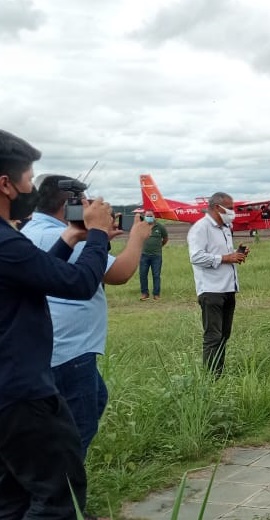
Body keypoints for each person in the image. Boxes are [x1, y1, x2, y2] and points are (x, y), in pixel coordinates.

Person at [0, 129, 115, 519]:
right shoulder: (6, 242)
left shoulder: (9, 243)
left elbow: (36, 274)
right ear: (6, 184)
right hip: (22, 394)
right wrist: (97, 234)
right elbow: (79, 284)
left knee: (13, 497)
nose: (32, 189)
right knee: (58, 497)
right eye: (29, 179)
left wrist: (69, 239)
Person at [22, 175, 151, 461]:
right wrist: (137, 238)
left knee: (95, 399)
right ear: (70, 205)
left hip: (52, 347)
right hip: (69, 351)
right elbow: (119, 273)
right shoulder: (56, 236)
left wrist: (97, 238)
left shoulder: (34, 230)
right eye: (86, 202)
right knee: (77, 429)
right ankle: (62, 487)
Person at [187, 192, 248, 377]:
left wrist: (237, 254)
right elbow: (196, 257)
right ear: (216, 207)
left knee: (224, 334)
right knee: (213, 336)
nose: (232, 212)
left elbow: (221, 254)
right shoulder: (201, 228)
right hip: (211, 290)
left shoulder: (225, 228)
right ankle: (211, 378)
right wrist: (226, 258)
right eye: (229, 208)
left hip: (228, 288)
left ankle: (218, 373)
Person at [139, 209, 168, 300]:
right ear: (144, 217)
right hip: (144, 255)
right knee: (143, 275)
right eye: (147, 216)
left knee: (156, 275)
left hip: (156, 256)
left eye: (151, 216)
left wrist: (159, 246)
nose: (149, 217)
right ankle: (144, 293)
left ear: (154, 217)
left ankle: (156, 294)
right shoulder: (141, 227)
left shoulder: (160, 227)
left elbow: (165, 238)